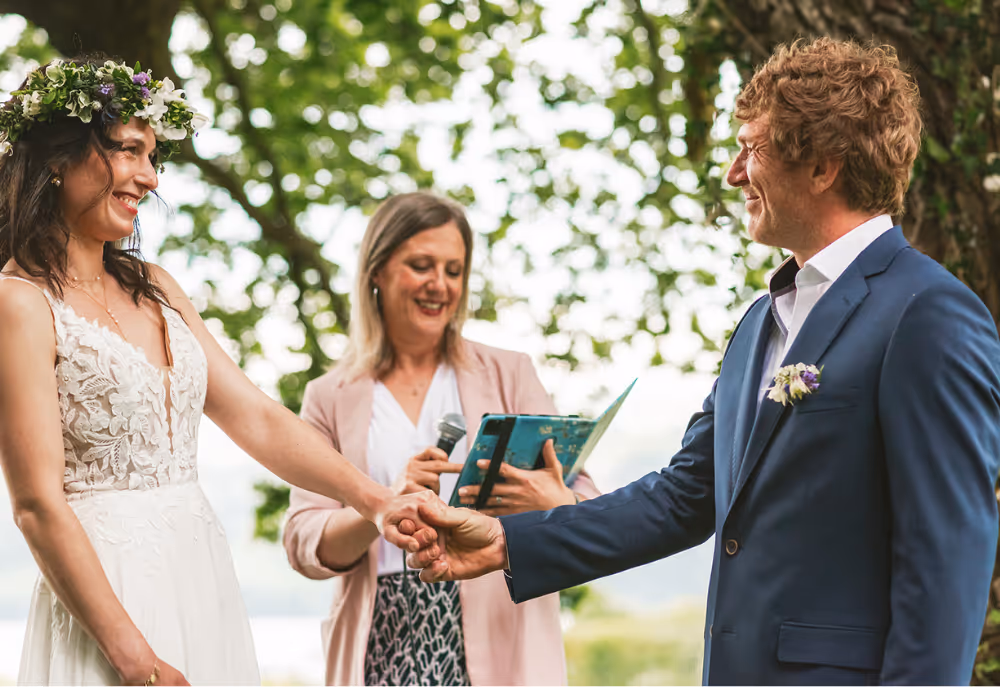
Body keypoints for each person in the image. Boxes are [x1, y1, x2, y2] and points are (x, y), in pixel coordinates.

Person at [404, 37, 1000, 685]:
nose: (733, 173)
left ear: (823, 165)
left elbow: (947, 558)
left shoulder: (928, 313)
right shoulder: (756, 324)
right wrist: (502, 541)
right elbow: (681, 496)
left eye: (752, 147)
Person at [0, 57, 434, 686]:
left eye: (154, 158)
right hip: (108, 595)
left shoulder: (156, 287)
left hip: (198, 573)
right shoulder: (19, 302)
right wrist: (135, 660)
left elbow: (256, 417)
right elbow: (38, 504)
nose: (149, 177)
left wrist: (375, 500)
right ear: (56, 158)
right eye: (128, 151)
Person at [282, 191, 600, 686]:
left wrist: (552, 497)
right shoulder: (330, 395)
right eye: (421, 265)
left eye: (454, 271)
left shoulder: (510, 375)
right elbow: (305, 542)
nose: (439, 285)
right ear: (378, 272)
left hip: (500, 630)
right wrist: (386, 503)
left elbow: (586, 500)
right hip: (378, 641)